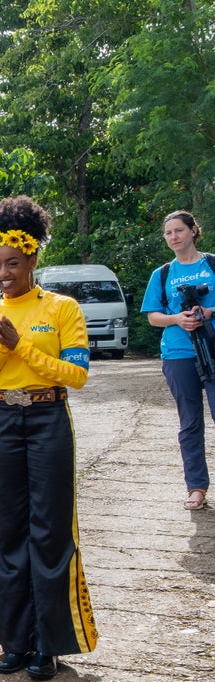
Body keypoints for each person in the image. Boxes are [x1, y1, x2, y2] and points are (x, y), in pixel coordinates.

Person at [0, 195, 98, 680]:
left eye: (13, 264)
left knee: (49, 528)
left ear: (32, 259)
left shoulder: (62, 309)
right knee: (9, 529)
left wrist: (24, 349)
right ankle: (15, 640)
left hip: (48, 419)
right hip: (2, 422)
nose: (4, 274)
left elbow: (77, 375)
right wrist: (3, 351)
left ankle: (49, 643)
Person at [141, 210, 215, 510]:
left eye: (179, 231)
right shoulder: (162, 273)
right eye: (168, 233)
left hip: (212, 348)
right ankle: (196, 488)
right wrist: (177, 319)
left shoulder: (211, 264)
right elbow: (152, 317)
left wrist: (210, 313)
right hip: (178, 354)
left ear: (193, 231)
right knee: (190, 422)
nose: (173, 237)